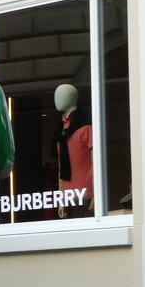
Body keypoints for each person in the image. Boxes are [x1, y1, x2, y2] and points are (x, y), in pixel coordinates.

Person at [54, 83, 93, 218]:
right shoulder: (61, 130)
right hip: (68, 196)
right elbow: (61, 167)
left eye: (60, 95)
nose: (56, 99)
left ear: (71, 97)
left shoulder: (85, 127)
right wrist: (61, 199)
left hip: (86, 195)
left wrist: (96, 195)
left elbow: (96, 163)